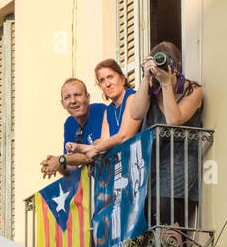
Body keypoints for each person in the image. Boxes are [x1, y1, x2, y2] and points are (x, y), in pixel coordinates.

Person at [129, 41, 204, 230]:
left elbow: (173, 119)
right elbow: (135, 113)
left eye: (164, 62)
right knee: (150, 216)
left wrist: (165, 84)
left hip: (179, 164)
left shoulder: (192, 90)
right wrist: (146, 79)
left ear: (176, 66)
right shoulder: (151, 91)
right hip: (152, 164)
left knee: (165, 214)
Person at [70, 59, 141, 163]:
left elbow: (124, 136)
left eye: (110, 77)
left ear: (122, 79)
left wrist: (95, 149)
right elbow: (104, 143)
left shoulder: (132, 97)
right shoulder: (108, 111)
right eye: (102, 80)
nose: (107, 84)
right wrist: (80, 148)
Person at [40, 78, 107, 179]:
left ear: (88, 97)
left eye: (77, 95)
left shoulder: (99, 110)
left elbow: (93, 153)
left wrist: (61, 159)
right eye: (67, 97)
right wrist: (55, 165)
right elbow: (71, 166)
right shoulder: (69, 123)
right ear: (62, 104)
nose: (73, 101)